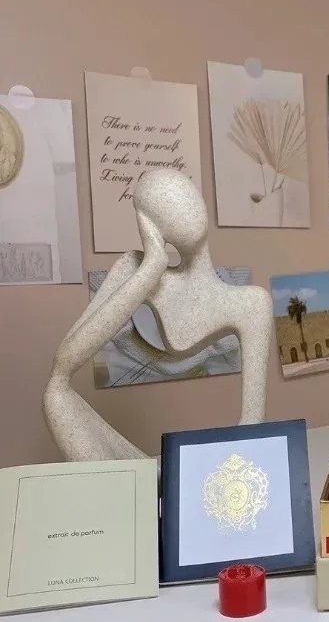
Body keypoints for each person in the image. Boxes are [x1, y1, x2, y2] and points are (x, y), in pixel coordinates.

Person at [43, 170, 272, 461]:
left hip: (217, 472)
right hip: (138, 468)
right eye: (164, 205)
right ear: (149, 225)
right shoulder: (134, 270)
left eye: (185, 195)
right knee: (55, 394)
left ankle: (164, 483)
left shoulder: (251, 303)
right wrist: (151, 268)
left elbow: (252, 426)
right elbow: (62, 367)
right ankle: (135, 485)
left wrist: (207, 474)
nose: (180, 208)